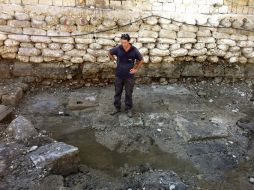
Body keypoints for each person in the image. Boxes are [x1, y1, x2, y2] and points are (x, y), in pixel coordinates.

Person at [108, 33, 144, 118]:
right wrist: (114, 61)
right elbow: (109, 53)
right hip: (119, 75)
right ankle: (117, 108)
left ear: (129, 41)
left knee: (128, 93)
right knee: (117, 92)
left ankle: (128, 109)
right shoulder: (118, 48)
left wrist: (135, 68)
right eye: (122, 42)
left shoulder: (134, 50)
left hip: (129, 77)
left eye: (125, 42)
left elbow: (141, 60)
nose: (123, 44)